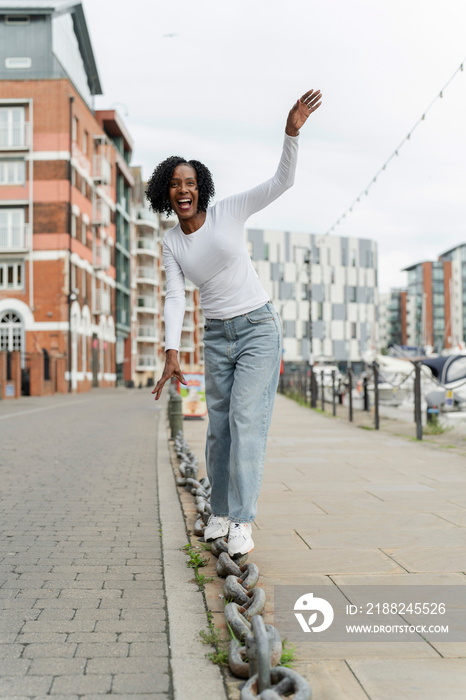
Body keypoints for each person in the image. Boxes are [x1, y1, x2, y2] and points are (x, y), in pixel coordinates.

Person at [147, 89, 322, 556]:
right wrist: (170, 350)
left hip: (257, 329)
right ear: (166, 192)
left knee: (247, 418)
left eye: (190, 183)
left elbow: (280, 183)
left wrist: (291, 133)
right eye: (174, 185)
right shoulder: (170, 242)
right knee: (219, 426)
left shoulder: (229, 212)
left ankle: (243, 520)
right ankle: (221, 514)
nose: (183, 191)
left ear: (200, 188)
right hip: (216, 337)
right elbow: (175, 294)